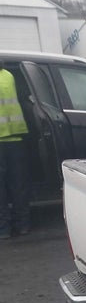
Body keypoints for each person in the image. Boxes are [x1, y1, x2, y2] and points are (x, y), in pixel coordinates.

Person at [0, 59, 30, 239]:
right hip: (16, 139)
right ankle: (23, 225)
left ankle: (3, 229)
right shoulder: (9, 76)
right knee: (18, 185)